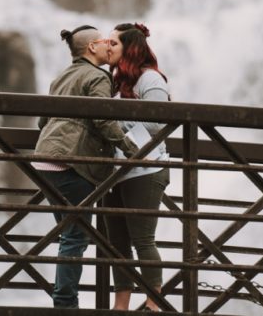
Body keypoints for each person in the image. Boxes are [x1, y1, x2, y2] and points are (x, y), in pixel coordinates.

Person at [34, 25, 140, 308]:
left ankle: (65, 300)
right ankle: (65, 304)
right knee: (75, 238)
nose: (110, 46)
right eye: (106, 41)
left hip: (44, 161)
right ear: (92, 47)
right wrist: (133, 150)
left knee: (69, 235)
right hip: (71, 164)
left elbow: (42, 122)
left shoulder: (62, 77)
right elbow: (103, 120)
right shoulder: (97, 77)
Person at [104, 22, 171, 311]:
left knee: (143, 239)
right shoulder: (121, 83)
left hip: (146, 169)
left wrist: (113, 124)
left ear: (129, 49)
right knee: (116, 243)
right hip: (117, 171)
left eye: (114, 43)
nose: (108, 47)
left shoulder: (150, 80)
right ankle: (121, 306)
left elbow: (157, 122)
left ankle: (153, 304)